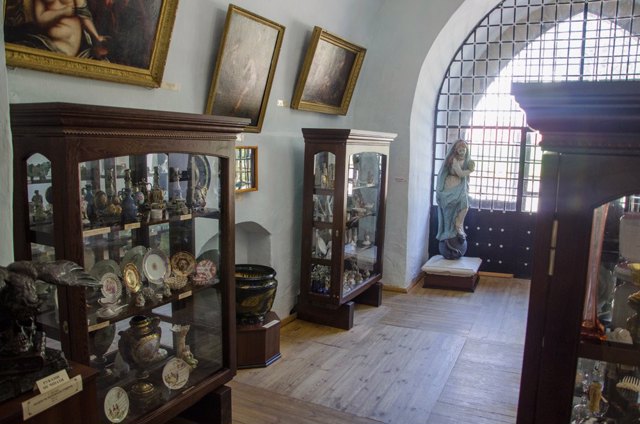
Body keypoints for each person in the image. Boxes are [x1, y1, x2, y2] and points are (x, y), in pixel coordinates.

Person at [436, 139, 475, 258]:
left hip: (460, 187)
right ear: (456, 150)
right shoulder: (453, 160)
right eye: (460, 149)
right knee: (449, 212)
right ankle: (448, 233)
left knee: (465, 204)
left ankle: (458, 225)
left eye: (464, 149)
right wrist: (470, 170)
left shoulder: (465, 160)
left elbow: (464, 176)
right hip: (450, 186)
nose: (462, 151)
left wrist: (469, 166)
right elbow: (460, 173)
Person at [31, 0, 106, 57]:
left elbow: (84, 15)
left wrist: (96, 36)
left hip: (70, 41)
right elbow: (40, 19)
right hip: (47, 40)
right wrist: (64, 11)